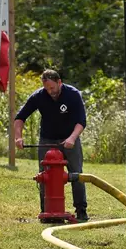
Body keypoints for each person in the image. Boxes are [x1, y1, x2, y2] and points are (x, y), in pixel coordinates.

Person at [14, 69, 89, 222]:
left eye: (52, 88)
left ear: (59, 82)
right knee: (45, 176)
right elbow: (20, 118)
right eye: (47, 88)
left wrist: (72, 138)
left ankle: (81, 211)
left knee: (76, 175)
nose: (50, 92)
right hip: (47, 140)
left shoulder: (73, 94)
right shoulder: (39, 96)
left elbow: (81, 121)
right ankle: (46, 212)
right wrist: (18, 137)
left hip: (69, 140)